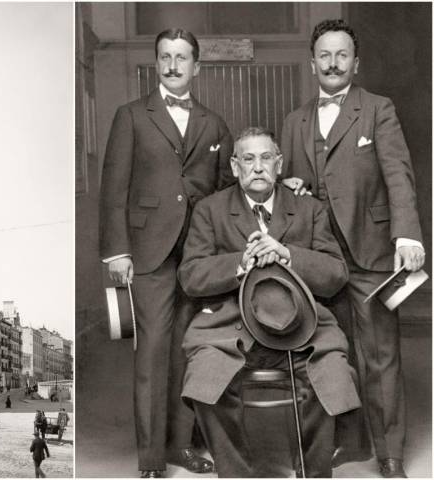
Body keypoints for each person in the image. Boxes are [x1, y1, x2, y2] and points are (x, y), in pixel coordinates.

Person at [280, 20, 425, 478]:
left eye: (342, 55)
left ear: (355, 63)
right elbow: (288, 190)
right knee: (329, 353)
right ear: (312, 64)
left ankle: (391, 454)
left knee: (380, 357)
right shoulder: (294, 120)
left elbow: (399, 173)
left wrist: (408, 235)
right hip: (319, 257)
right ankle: (349, 443)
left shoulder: (378, 109)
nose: (333, 63)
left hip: (371, 252)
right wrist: (292, 187)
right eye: (324, 55)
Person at [177, 127, 361, 477]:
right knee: (205, 379)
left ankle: (312, 471)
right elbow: (190, 276)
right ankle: (237, 472)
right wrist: (240, 263)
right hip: (230, 326)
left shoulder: (309, 209)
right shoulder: (210, 210)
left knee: (333, 375)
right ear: (234, 166)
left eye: (266, 158)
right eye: (248, 158)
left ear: (279, 164)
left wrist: (287, 254)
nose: (258, 167)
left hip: (303, 326)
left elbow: (336, 273)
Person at [99, 27, 236, 478]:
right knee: (153, 353)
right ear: (156, 63)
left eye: (182, 57)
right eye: (165, 57)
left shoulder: (214, 124)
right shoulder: (132, 115)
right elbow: (113, 190)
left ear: (196, 65)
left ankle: (181, 447)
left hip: (199, 255)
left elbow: (224, 192)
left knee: (190, 352)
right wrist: (117, 252)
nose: (173, 65)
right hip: (148, 255)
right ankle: (152, 459)